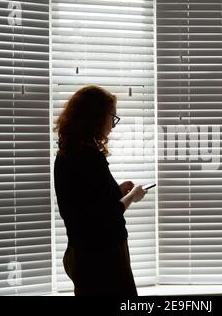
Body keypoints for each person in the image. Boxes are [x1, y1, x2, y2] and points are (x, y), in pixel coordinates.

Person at [53, 84, 147, 296]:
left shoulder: (65, 154)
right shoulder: (89, 157)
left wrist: (118, 190)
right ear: (95, 117)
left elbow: (88, 203)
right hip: (104, 257)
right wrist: (132, 196)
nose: (112, 125)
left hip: (80, 252)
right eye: (111, 117)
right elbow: (107, 216)